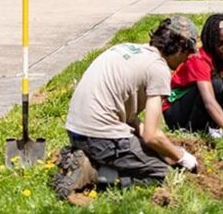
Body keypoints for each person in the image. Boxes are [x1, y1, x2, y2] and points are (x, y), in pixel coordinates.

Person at [55, 16, 200, 195]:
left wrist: (164, 151)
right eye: (188, 54)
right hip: (101, 137)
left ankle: (86, 158)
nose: (187, 60)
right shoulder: (158, 68)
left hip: (75, 130)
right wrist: (182, 157)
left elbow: (129, 117)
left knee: (153, 154)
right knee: (162, 173)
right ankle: (93, 172)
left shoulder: (127, 48)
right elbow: (151, 135)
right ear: (180, 48)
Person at [163, 13, 223, 161]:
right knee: (215, 84)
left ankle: (211, 128)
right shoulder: (199, 59)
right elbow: (209, 101)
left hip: (201, 102)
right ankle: (193, 130)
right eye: (221, 43)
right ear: (212, 42)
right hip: (176, 111)